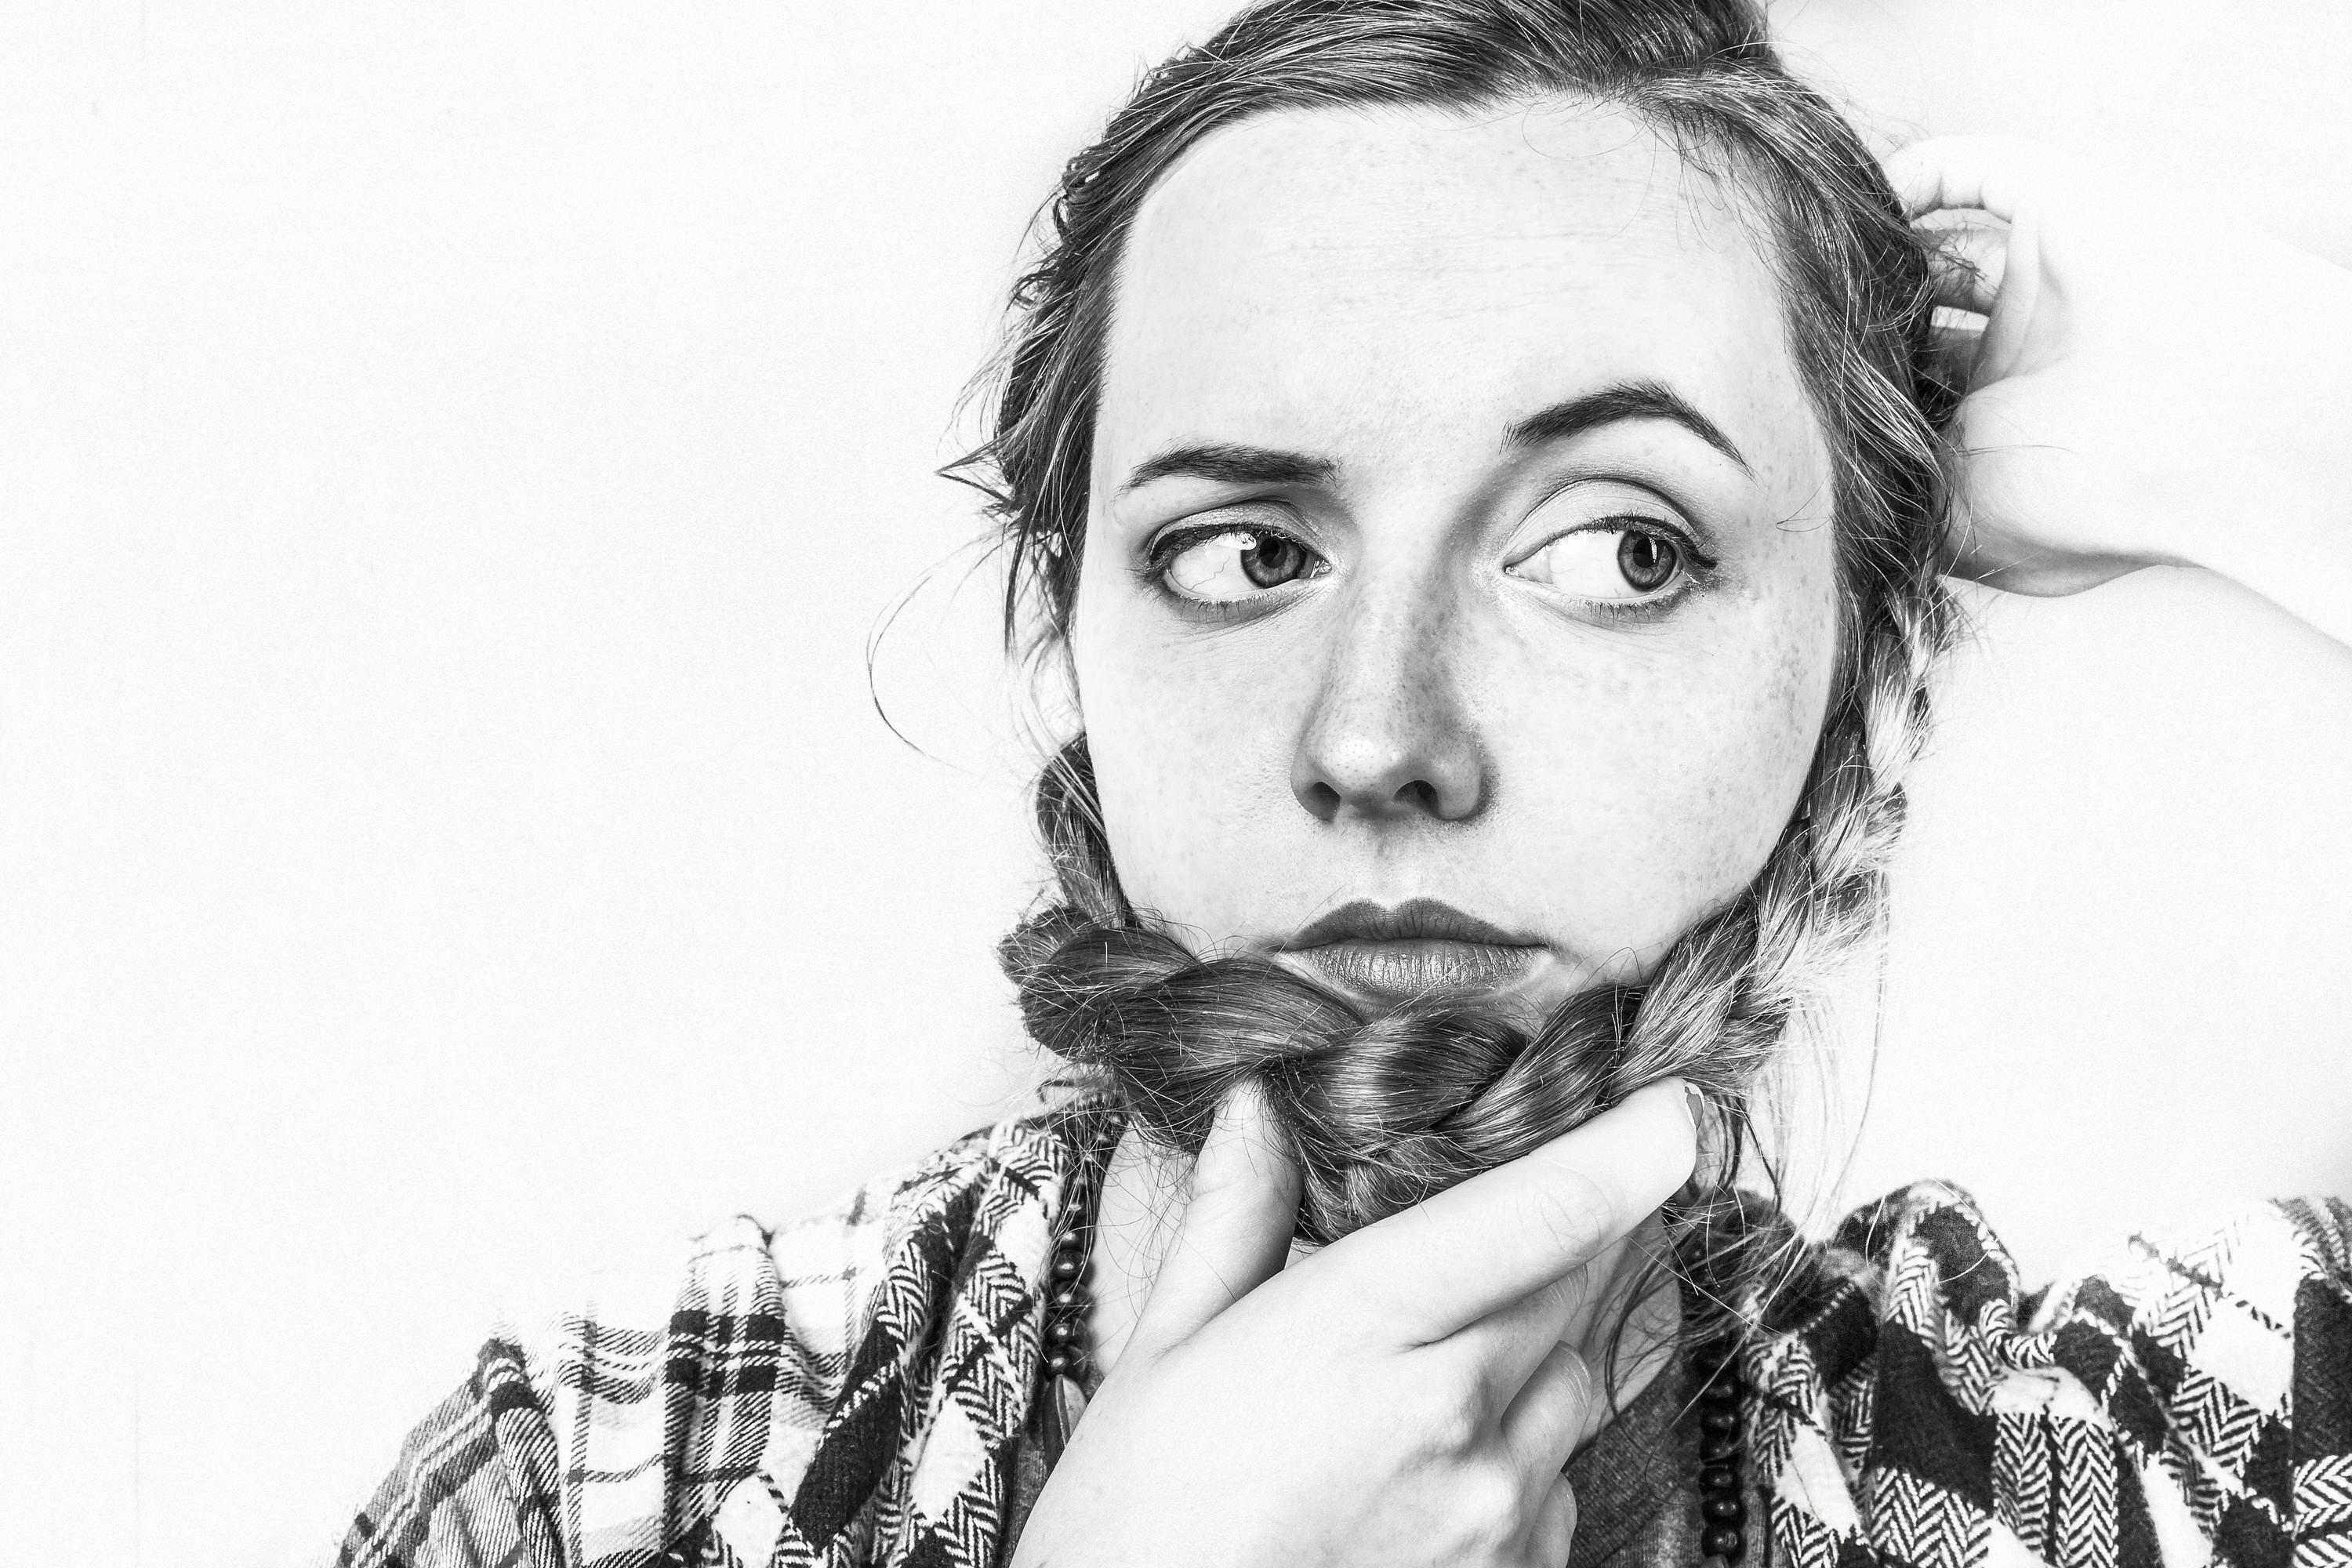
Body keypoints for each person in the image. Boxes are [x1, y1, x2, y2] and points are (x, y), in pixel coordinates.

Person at [332, 2, 2352, 1565]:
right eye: (1245, 555)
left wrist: (2281, 424)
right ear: (1061, 636)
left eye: (1621, 550)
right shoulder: (614, 1481)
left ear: (1862, 671)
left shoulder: (2133, 1474)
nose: (1378, 739)